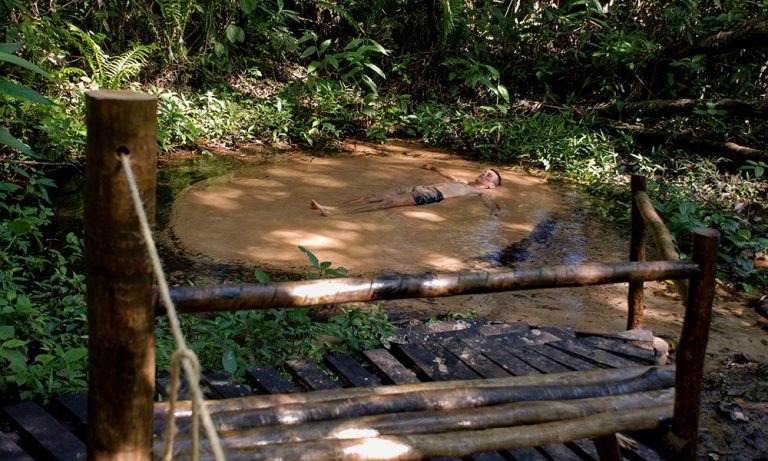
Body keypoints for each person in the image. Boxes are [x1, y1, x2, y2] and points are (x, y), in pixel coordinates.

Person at [310, 164, 502, 216]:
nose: (484, 174)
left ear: (491, 185)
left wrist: (495, 212)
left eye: (489, 176)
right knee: (374, 196)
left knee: (387, 203)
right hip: (420, 187)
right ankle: (332, 207)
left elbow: (491, 203)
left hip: (432, 195)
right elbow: (447, 174)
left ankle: (335, 213)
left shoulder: (483, 192)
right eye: (484, 172)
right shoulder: (463, 181)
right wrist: (433, 168)